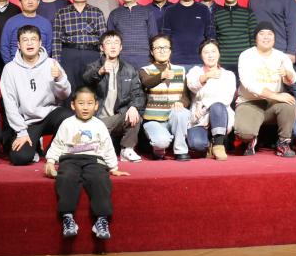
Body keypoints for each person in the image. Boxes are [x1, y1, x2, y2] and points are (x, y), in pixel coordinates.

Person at [44, 86, 129, 241]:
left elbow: (107, 146)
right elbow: (57, 144)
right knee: (66, 177)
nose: (85, 107)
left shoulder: (99, 124)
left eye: (89, 103)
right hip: (70, 159)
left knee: (100, 178)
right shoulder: (67, 123)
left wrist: (113, 167)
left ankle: (101, 219)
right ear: (73, 105)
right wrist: (50, 162)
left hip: (94, 160)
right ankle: (68, 217)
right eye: (81, 103)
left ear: (96, 106)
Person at [1, 25, 72, 165]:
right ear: (18, 45)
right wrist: (21, 132)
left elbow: (65, 95)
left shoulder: (51, 63)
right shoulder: (10, 69)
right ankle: (35, 147)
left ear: (40, 43)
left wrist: (59, 79)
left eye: (33, 39)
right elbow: (10, 104)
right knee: (19, 158)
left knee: (69, 117)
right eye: (25, 40)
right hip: (27, 122)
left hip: (49, 115)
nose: (29, 43)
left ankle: (52, 150)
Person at [235, 23, 296, 157]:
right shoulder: (246, 55)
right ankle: (250, 140)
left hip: (272, 104)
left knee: (289, 103)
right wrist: (276, 95)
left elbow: (293, 79)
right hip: (249, 102)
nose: (266, 37)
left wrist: (287, 73)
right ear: (255, 38)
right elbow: (249, 84)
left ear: (274, 38)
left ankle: (283, 143)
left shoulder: (281, 56)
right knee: (244, 133)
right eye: (262, 34)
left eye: (270, 34)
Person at [81, 31, 144, 163]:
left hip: (119, 117)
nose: (113, 46)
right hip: (98, 118)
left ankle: (127, 149)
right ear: (102, 48)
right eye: (108, 43)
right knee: (91, 150)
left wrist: (134, 107)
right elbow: (86, 79)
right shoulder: (93, 66)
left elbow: (138, 93)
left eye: (116, 43)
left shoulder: (129, 69)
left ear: (121, 47)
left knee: (135, 114)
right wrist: (100, 71)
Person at [138, 35, 191, 161]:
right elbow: (147, 83)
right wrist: (162, 75)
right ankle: (159, 149)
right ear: (152, 51)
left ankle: (181, 151)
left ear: (170, 50)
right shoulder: (145, 70)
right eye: (158, 48)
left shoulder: (180, 70)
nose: (162, 51)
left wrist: (181, 102)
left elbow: (186, 97)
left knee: (182, 113)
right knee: (161, 142)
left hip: (173, 117)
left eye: (165, 47)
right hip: (153, 119)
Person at [185, 39, 237, 160]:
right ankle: (209, 145)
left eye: (213, 51)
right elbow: (192, 86)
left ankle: (218, 144)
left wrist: (205, 107)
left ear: (219, 54)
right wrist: (206, 76)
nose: (210, 55)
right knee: (197, 144)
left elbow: (226, 98)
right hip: (199, 117)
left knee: (217, 106)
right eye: (206, 52)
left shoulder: (228, 75)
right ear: (201, 55)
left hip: (219, 115)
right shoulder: (195, 71)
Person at [52, 0, 108, 88]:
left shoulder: (97, 12)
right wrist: (56, 62)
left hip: (92, 55)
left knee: (92, 88)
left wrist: (103, 60)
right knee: (69, 87)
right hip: (69, 55)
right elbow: (56, 40)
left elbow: (103, 39)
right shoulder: (61, 13)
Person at [106, 0, 159, 71]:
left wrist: (155, 58)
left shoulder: (147, 12)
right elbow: (110, 40)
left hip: (145, 59)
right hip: (122, 59)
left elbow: (154, 37)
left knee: (147, 80)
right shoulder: (114, 14)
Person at [161, 0, 215, 69]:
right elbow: (165, 37)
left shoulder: (203, 9)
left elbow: (210, 36)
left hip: (200, 61)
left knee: (199, 79)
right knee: (176, 80)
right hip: (176, 62)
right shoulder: (170, 10)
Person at [212, 0, 257, 75]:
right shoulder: (216, 14)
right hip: (223, 63)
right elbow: (214, 40)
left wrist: (253, 60)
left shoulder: (248, 13)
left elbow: (253, 39)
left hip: (245, 62)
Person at [0, 0, 53, 65]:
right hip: (16, 65)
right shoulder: (11, 22)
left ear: (38, 2)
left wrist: (42, 64)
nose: (30, 2)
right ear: (20, 3)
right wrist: (10, 65)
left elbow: (49, 47)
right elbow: (4, 46)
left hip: (40, 65)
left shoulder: (46, 23)